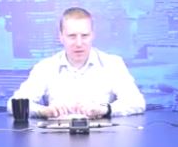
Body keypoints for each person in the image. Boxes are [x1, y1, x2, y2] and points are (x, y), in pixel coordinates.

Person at [8, 7, 145, 118]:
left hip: (102, 138)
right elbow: (13, 105)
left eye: (84, 36)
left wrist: (104, 109)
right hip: (56, 140)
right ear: (61, 37)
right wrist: (44, 111)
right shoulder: (45, 67)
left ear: (92, 35)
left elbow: (137, 102)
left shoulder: (113, 64)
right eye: (72, 36)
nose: (79, 43)